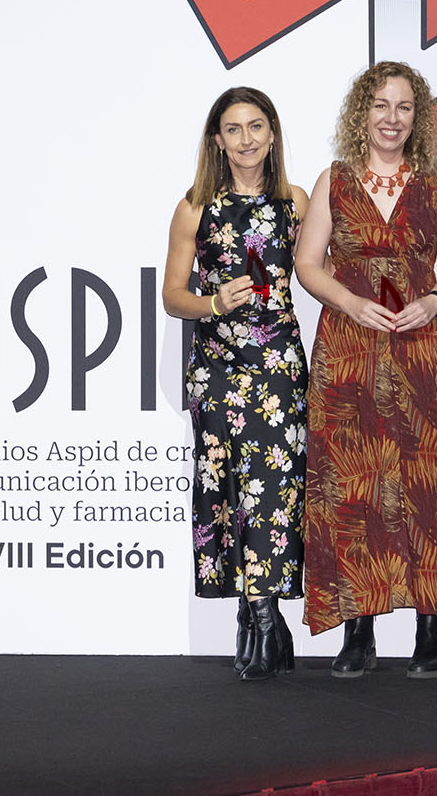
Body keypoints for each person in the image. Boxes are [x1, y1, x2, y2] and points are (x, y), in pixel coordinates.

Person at [297, 61, 437, 679]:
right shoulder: (333, 180)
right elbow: (308, 263)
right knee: (355, 488)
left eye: (404, 107)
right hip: (349, 350)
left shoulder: (434, 179)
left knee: (428, 481)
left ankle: (432, 626)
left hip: (420, 348)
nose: (392, 119)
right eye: (381, 105)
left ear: (417, 117)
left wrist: (436, 299)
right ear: (362, 112)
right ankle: (359, 630)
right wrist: (349, 302)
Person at [162, 87, 310, 681]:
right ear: (217, 140)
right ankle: (256, 616)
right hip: (217, 368)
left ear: (272, 134)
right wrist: (213, 302)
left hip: (278, 366)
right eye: (233, 128)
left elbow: (321, 272)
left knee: (274, 494)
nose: (246, 139)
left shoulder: (296, 202)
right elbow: (172, 296)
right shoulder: (194, 207)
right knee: (227, 494)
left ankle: (264, 619)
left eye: (256, 126)